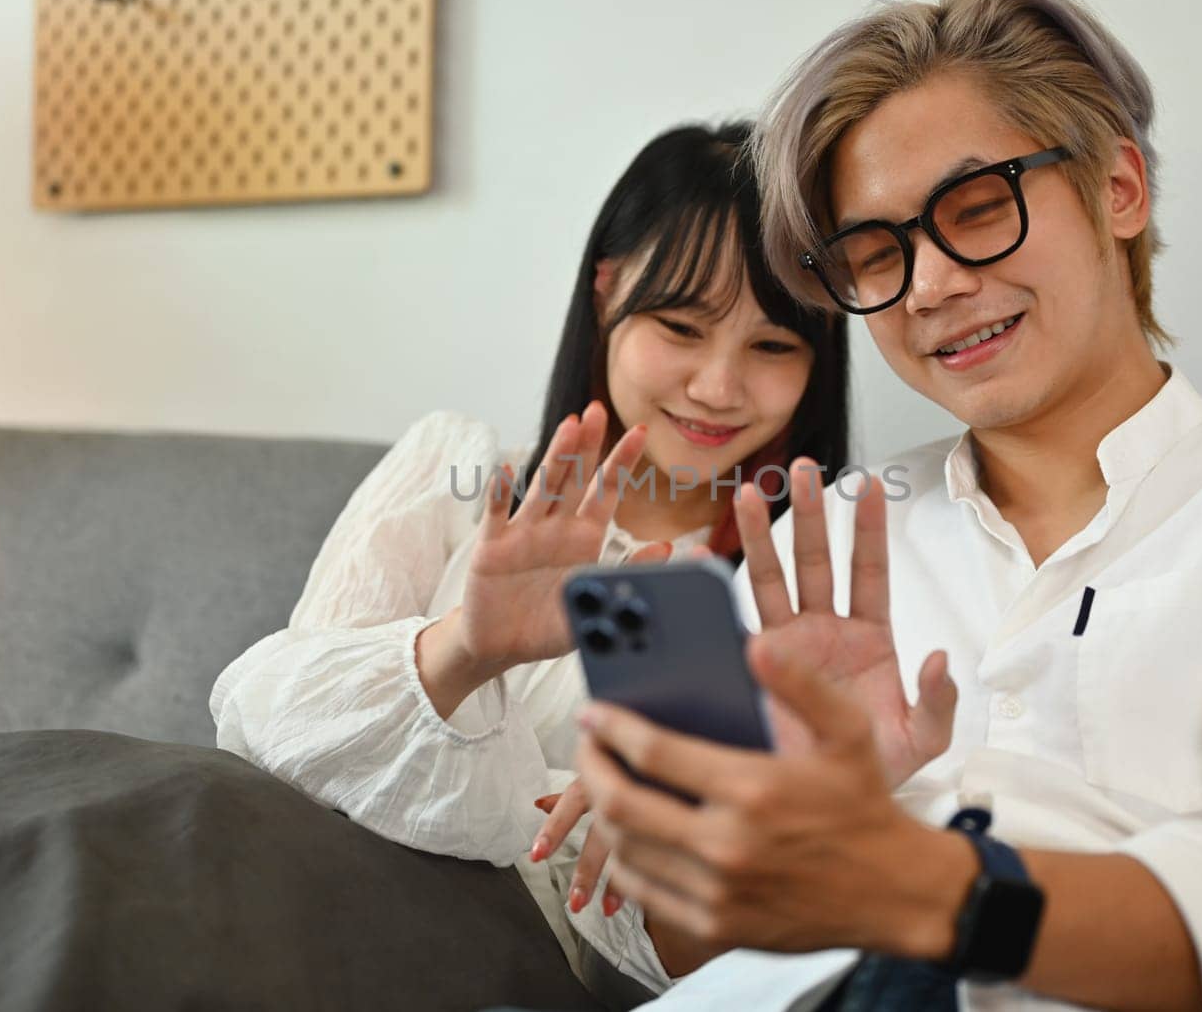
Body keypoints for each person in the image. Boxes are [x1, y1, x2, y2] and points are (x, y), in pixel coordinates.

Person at [568, 0, 1202, 1012]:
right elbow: (689, 947)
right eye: (875, 250)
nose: (933, 283)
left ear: (1117, 188)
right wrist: (765, 825)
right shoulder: (825, 545)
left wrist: (910, 879)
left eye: (974, 204)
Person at [209, 121, 851, 1002]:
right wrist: (466, 648)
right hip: (300, 915)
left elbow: (662, 955)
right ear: (606, 290)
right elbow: (273, 738)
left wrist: (681, 819)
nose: (718, 386)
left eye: (774, 346)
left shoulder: (801, 588)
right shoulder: (457, 473)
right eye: (679, 326)